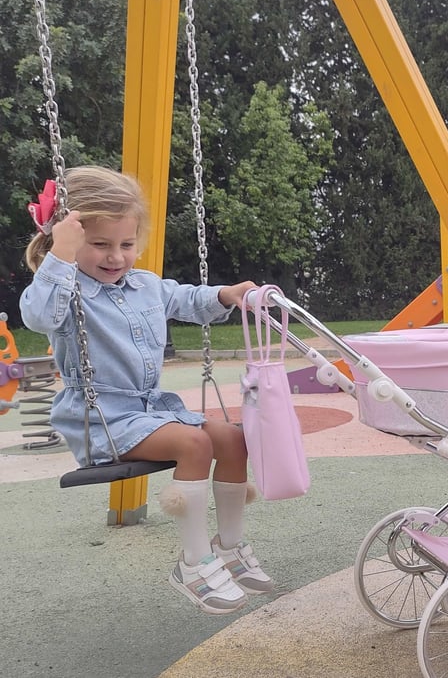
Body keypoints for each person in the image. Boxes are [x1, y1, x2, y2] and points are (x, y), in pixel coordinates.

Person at [21, 166, 274, 615]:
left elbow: (187, 298)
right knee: (194, 443)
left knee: (233, 440)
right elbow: (38, 316)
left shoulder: (146, 285)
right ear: (71, 239)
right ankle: (195, 562)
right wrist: (59, 256)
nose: (115, 256)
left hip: (152, 411)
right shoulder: (65, 289)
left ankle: (230, 546)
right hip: (103, 420)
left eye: (126, 244)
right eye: (100, 244)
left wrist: (226, 295)